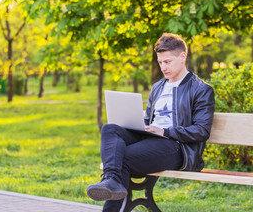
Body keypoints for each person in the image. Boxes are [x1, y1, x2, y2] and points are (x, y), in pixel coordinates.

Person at [86, 33, 215, 211]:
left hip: (177, 147)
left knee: (120, 158)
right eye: (160, 62)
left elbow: (201, 131)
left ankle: (110, 183)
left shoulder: (201, 89)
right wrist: (139, 124)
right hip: (150, 138)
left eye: (167, 62)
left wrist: (165, 132)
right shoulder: (158, 87)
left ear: (183, 56)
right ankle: (111, 181)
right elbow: (148, 118)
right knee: (110, 129)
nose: (163, 67)